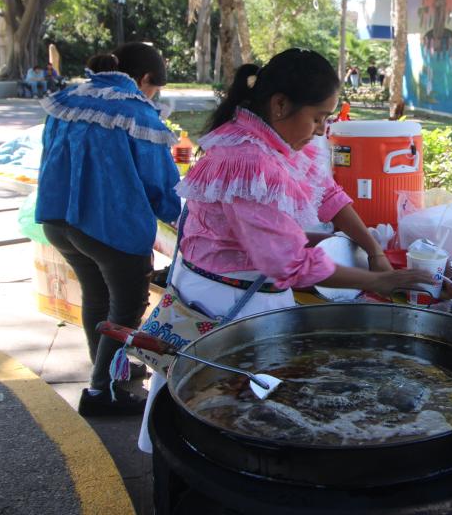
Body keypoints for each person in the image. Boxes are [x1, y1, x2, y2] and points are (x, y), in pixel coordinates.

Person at [137, 48, 431, 452]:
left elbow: (328, 195)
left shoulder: (281, 141)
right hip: (221, 296)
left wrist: (373, 248)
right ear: (280, 105)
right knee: (204, 392)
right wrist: (380, 279)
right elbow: (291, 264)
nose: (322, 129)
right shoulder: (247, 158)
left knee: (240, 386)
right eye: (318, 117)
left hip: (251, 288)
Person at [36, 43, 181, 417]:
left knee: (97, 299)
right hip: (110, 228)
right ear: (146, 79)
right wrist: (181, 218)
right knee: (128, 307)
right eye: (155, 88)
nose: (153, 96)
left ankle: (106, 367)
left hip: (58, 221)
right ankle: (103, 392)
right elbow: (160, 186)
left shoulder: (66, 99)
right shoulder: (138, 114)